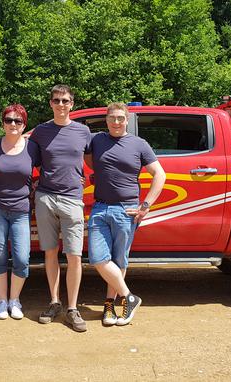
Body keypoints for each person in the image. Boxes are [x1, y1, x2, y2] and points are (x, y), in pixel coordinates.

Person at [87, 102, 165, 326]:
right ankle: (129, 297)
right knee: (99, 258)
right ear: (106, 119)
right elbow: (84, 156)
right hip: (100, 207)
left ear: (127, 120)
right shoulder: (97, 140)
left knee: (119, 260)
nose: (116, 122)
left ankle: (110, 306)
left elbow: (159, 174)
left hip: (127, 209)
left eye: (121, 118)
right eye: (112, 118)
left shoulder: (139, 144)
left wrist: (146, 205)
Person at [32, 84, 92, 332]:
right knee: (49, 252)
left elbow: (91, 161)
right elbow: (21, 149)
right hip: (45, 198)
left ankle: (73, 308)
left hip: (72, 199)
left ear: (72, 104)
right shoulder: (40, 131)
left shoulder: (84, 131)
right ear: (51, 104)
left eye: (65, 100)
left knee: (74, 255)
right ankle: (55, 302)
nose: (60, 104)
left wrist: (83, 177)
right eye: (56, 100)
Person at [0, 104, 40, 320]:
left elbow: (47, 170)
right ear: (3, 123)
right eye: (9, 120)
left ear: (24, 124)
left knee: (22, 257)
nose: (13, 124)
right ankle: (2, 301)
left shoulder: (32, 148)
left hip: (21, 209)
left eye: (18, 121)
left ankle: (15, 300)